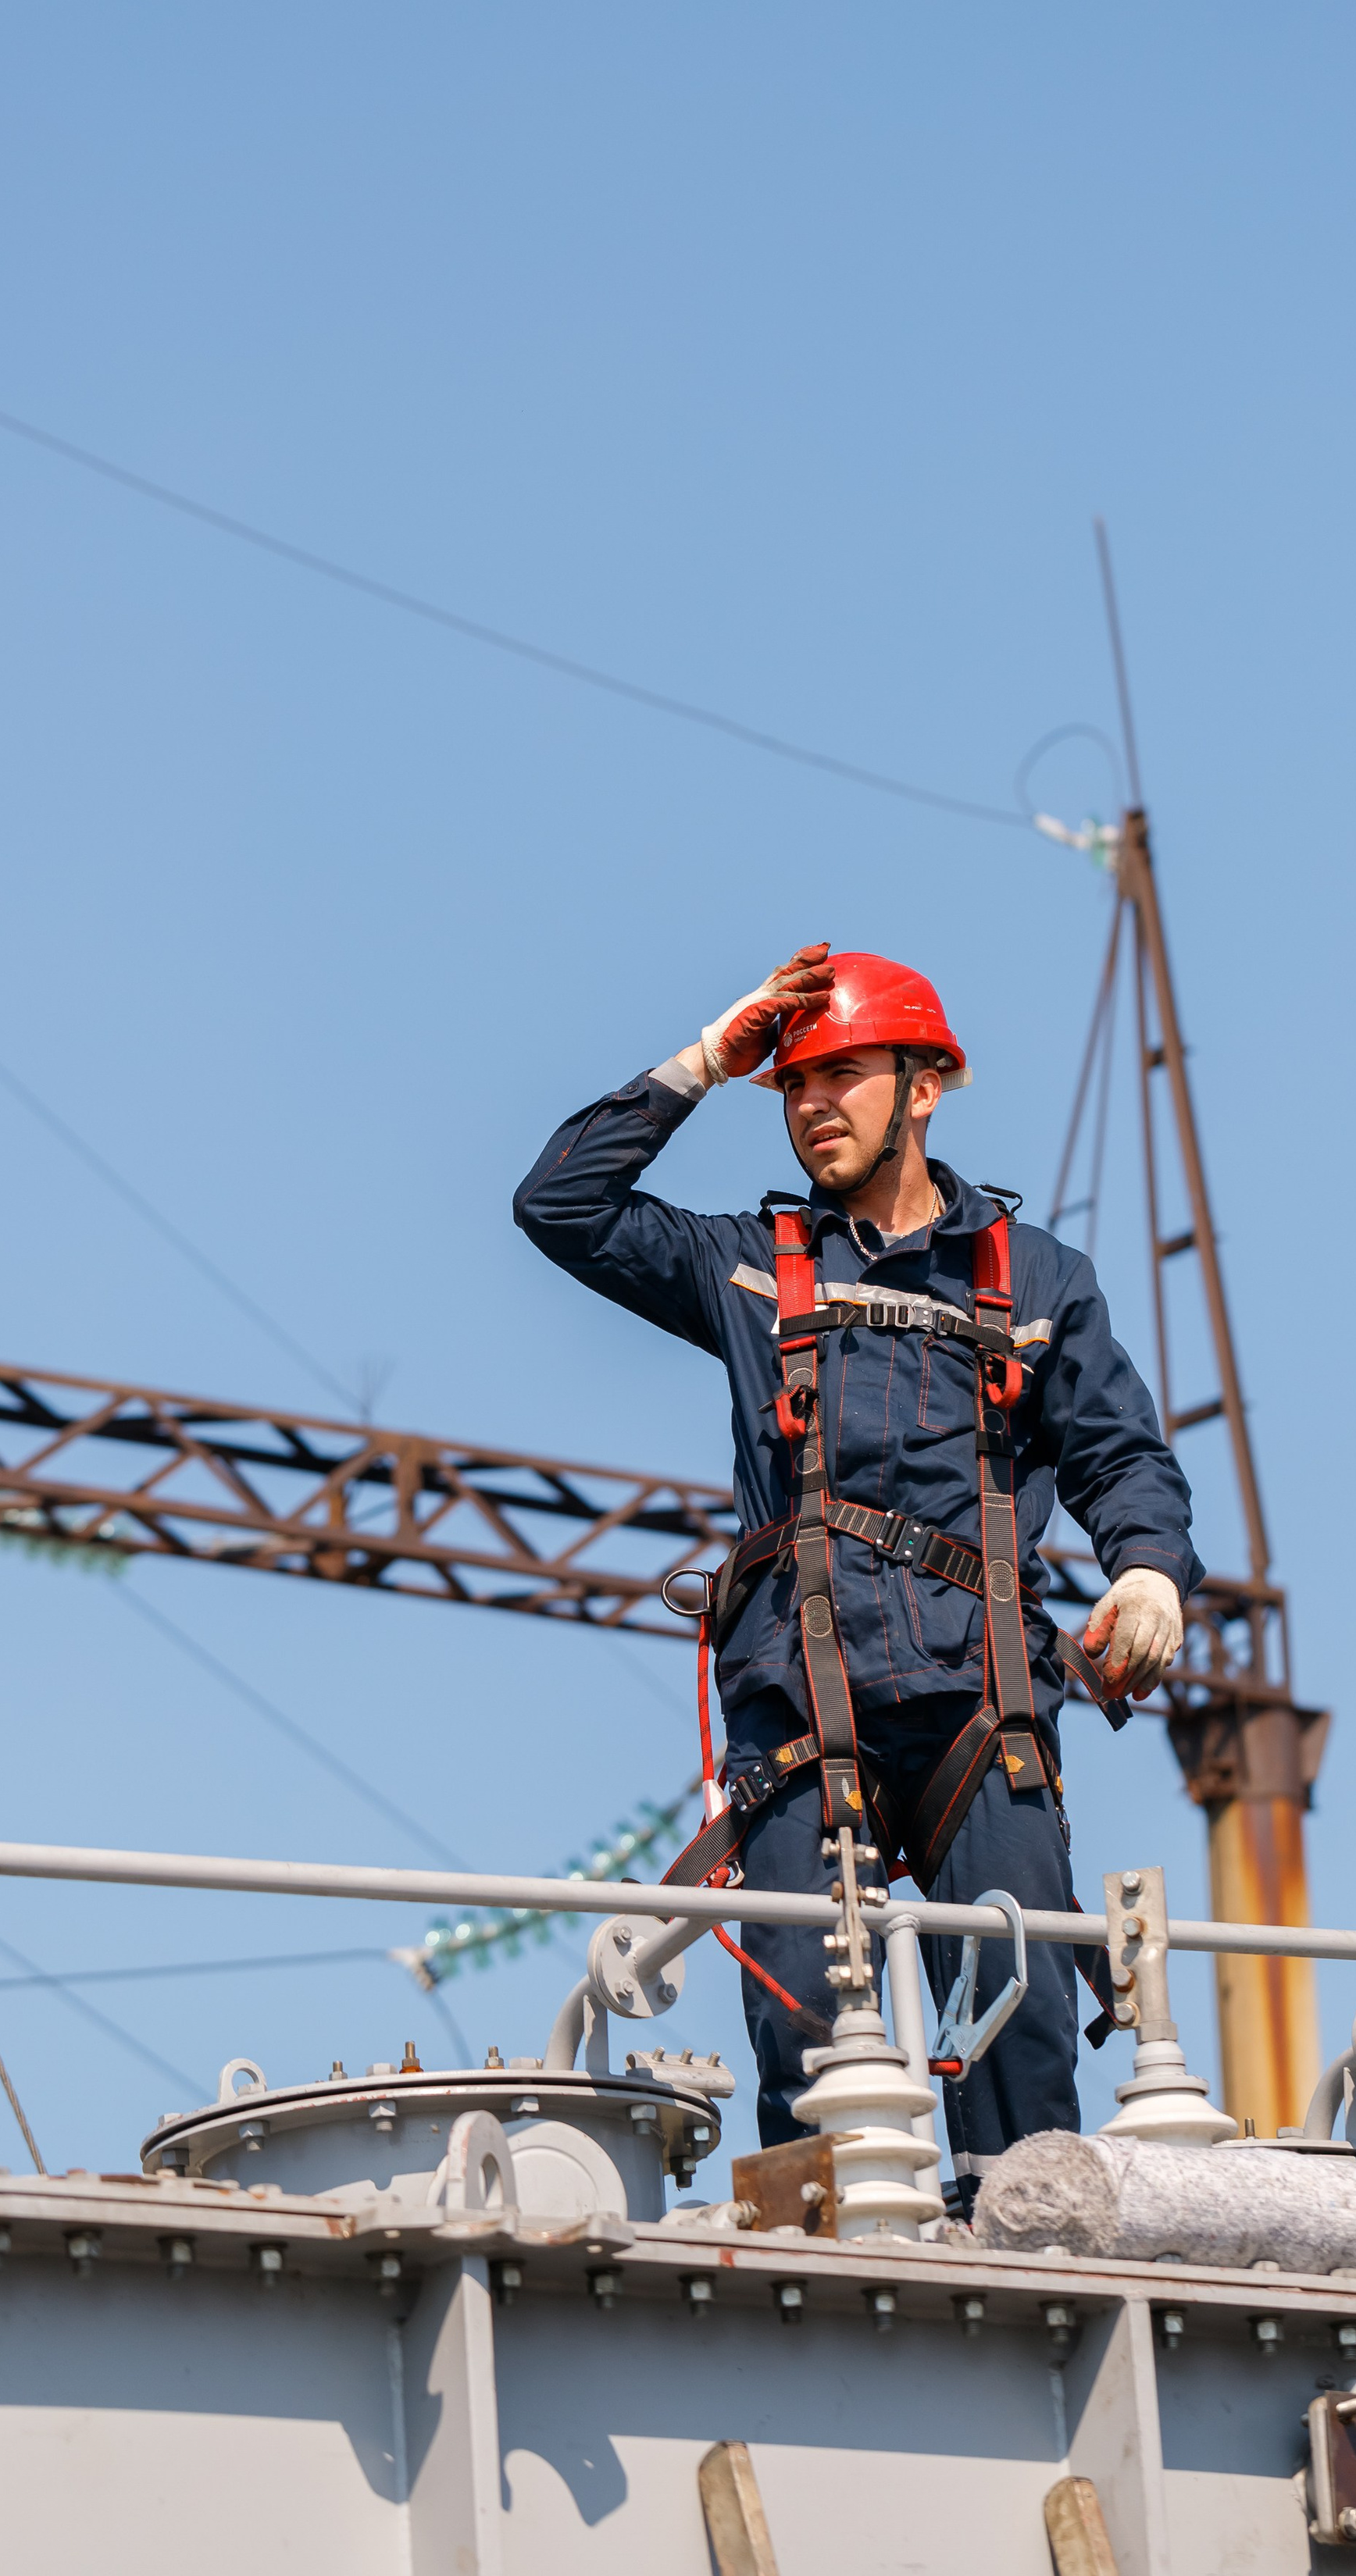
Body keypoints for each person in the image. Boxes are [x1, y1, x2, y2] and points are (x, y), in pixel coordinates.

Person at [513, 943, 1200, 2214]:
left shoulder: (1033, 1280)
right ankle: (821, 2275)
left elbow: (1121, 1458)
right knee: (805, 2028)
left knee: (1017, 2017)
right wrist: (704, 1062)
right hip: (800, 1708)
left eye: (841, 1075)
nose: (811, 1103)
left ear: (925, 1085)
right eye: (792, 1084)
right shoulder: (750, 1267)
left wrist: (1149, 1574)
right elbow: (563, 1206)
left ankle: (1024, 2265)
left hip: (977, 1701)